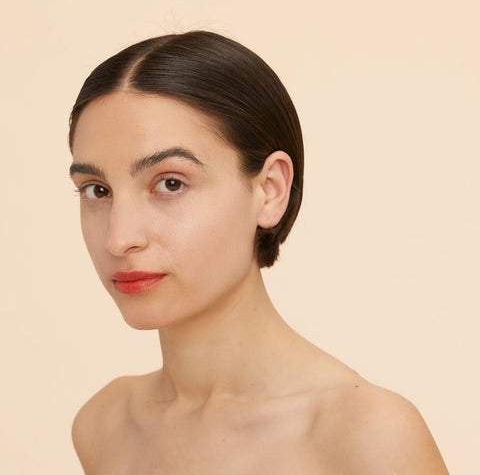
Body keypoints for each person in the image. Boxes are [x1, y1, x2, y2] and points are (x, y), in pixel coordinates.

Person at [68, 31, 448, 474]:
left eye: (170, 183)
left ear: (270, 190)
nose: (119, 239)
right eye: (97, 190)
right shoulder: (105, 427)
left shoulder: (367, 436)